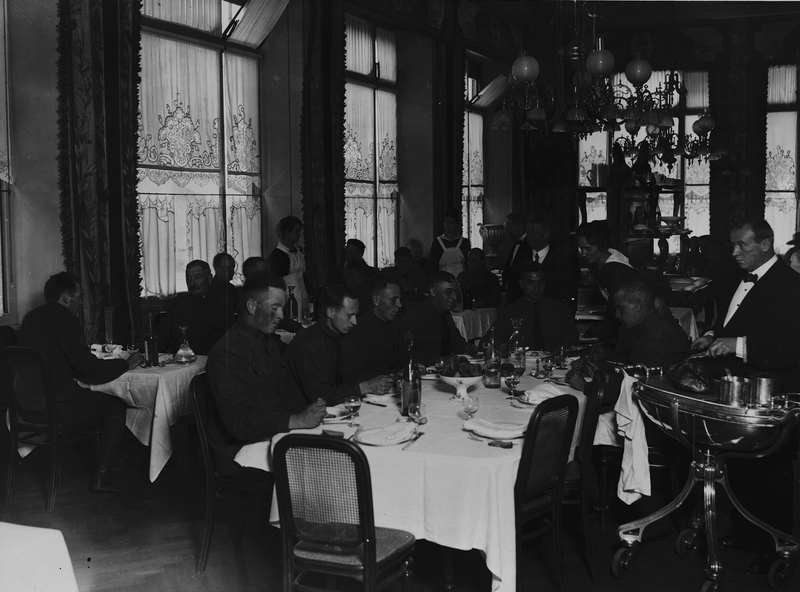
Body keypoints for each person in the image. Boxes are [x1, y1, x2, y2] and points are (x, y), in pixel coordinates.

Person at [689, 219, 800, 575]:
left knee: (772, 470)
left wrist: (739, 345)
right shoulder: (737, 276)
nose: (734, 253)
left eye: (742, 246)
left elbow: (792, 346)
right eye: (732, 245)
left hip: (775, 390)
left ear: (766, 245)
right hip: (738, 388)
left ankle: (776, 545)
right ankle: (746, 533)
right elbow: (732, 323)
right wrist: (711, 335)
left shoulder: (791, 285)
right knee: (739, 464)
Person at [19, 272, 145, 492]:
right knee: (115, 405)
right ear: (67, 297)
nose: (80, 302)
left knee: (89, 395)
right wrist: (126, 364)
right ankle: (102, 475)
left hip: (27, 406)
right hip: (57, 406)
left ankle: (109, 460)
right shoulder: (65, 318)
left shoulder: (30, 318)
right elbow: (90, 370)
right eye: (78, 296)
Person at [206, 273, 327, 477]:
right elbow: (240, 423)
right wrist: (297, 420)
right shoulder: (228, 353)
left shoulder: (267, 341)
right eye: (274, 307)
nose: (281, 315)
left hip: (268, 437)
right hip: (240, 453)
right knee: (325, 469)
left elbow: (284, 393)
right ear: (252, 306)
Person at [284, 284, 395, 405]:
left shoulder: (345, 337)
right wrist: (364, 387)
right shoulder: (307, 343)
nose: (355, 322)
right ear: (330, 312)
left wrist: (386, 379)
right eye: (349, 316)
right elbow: (319, 396)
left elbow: (356, 377)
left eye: (356, 315)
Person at [484, 262, 578, 352]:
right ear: (521, 284)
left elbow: (574, 343)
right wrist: (499, 346)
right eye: (530, 283)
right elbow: (486, 342)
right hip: (521, 364)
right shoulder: (510, 312)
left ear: (545, 282)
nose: (536, 287)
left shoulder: (560, 310)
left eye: (540, 282)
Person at [576, 221, 640, 347]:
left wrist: (602, 342)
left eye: (588, 249)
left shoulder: (616, 270)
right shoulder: (600, 265)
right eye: (581, 248)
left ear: (602, 246)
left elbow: (613, 311)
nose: (583, 254)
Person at [397, 271, 478, 366]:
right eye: (448, 292)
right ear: (433, 292)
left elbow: (455, 341)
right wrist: (439, 360)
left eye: (455, 292)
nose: (454, 297)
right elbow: (405, 354)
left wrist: (466, 347)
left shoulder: (445, 313)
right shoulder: (416, 316)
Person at [157, 260, 234, 355]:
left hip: (206, 360)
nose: (192, 283)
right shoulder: (178, 303)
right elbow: (162, 335)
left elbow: (221, 343)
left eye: (197, 277)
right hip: (176, 360)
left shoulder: (221, 304)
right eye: (188, 278)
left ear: (209, 279)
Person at [344, 273, 405, 383]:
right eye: (393, 300)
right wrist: (396, 374)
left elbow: (398, 362)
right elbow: (358, 376)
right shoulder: (359, 330)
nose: (399, 305)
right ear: (376, 300)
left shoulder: (392, 326)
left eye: (399, 299)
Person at [526, 216, 581, 313]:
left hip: (554, 317)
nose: (529, 237)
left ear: (546, 234)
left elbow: (570, 293)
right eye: (528, 233)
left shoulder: (563, 261)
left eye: (534, 233)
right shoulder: (520, 260)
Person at [266, 215, 309, 321]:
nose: (299, 234)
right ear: (286, 232)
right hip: (288, 298)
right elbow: (274, 283)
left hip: (303, 294)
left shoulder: (299, 250)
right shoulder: (277, 256)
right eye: (296, 231)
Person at [501, 212, 532, 306]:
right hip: (512, 294)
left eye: (510, 227)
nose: (507, 231)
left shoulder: (529, 244)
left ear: (520, 226)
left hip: (521, 294)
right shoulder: (516, 243)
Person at [428, 207, 470, 276]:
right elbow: (432, 266)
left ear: (457, 223)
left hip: (461, 278)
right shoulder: (437, 243)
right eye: (446, 222)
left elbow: (468, 264)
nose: (448, 225)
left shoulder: (464, 242)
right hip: (443, 279)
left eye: (451, 222)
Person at [209, 252, 239, 316]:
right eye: (229, 268)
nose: (232, 272)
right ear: (218, 269)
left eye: (233, 268)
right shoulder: (211, 289)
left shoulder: (231, 288)